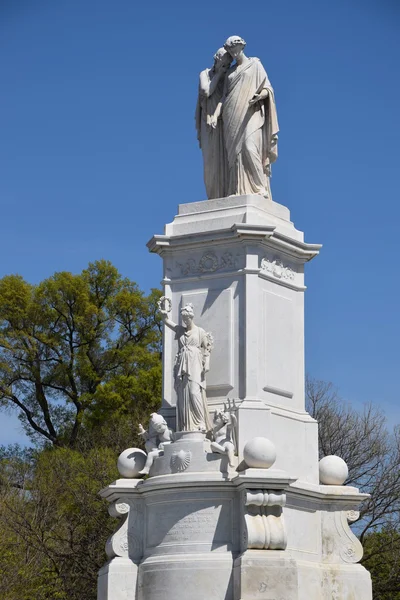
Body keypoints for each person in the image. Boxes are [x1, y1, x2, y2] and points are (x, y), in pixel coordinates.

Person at [211, 35, 279, 198]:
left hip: (251, 112)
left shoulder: (255, 64)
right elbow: (224, 97)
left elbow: (267, 87)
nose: (233, 53)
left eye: (234, 49)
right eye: (229, 50)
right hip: (231, 114)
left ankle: (259, 187)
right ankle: (238, 190)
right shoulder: (230, 73)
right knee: (235, 154)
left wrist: (261, 96)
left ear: (242, 47)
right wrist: (215, 114)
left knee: (249, 147)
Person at [159, 299, 213, 432]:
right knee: (184, 394)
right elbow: (167, 322)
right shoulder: (180, 330)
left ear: (191, 317)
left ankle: (200, 422)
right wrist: (164, 313)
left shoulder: (200, 331)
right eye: (183, 319)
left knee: (195, 392)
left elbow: (207, 349)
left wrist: (207, 364)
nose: (184, 321)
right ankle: (187, 424)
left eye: (186, 318)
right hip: (182, 363)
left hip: (195, 363)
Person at [195, 47, 232, 199]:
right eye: (223, 64)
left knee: (225, 160)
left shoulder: (228, 78)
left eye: (227, 66)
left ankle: (225, 195)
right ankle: (213, 198)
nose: (225, 68)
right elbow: (206, 91)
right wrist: (219, 74)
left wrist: (217, 115)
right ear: (216, 60)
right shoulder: (205, 74)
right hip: (207, 122)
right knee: (210, 162)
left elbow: (226, 97)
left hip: (222, 122)